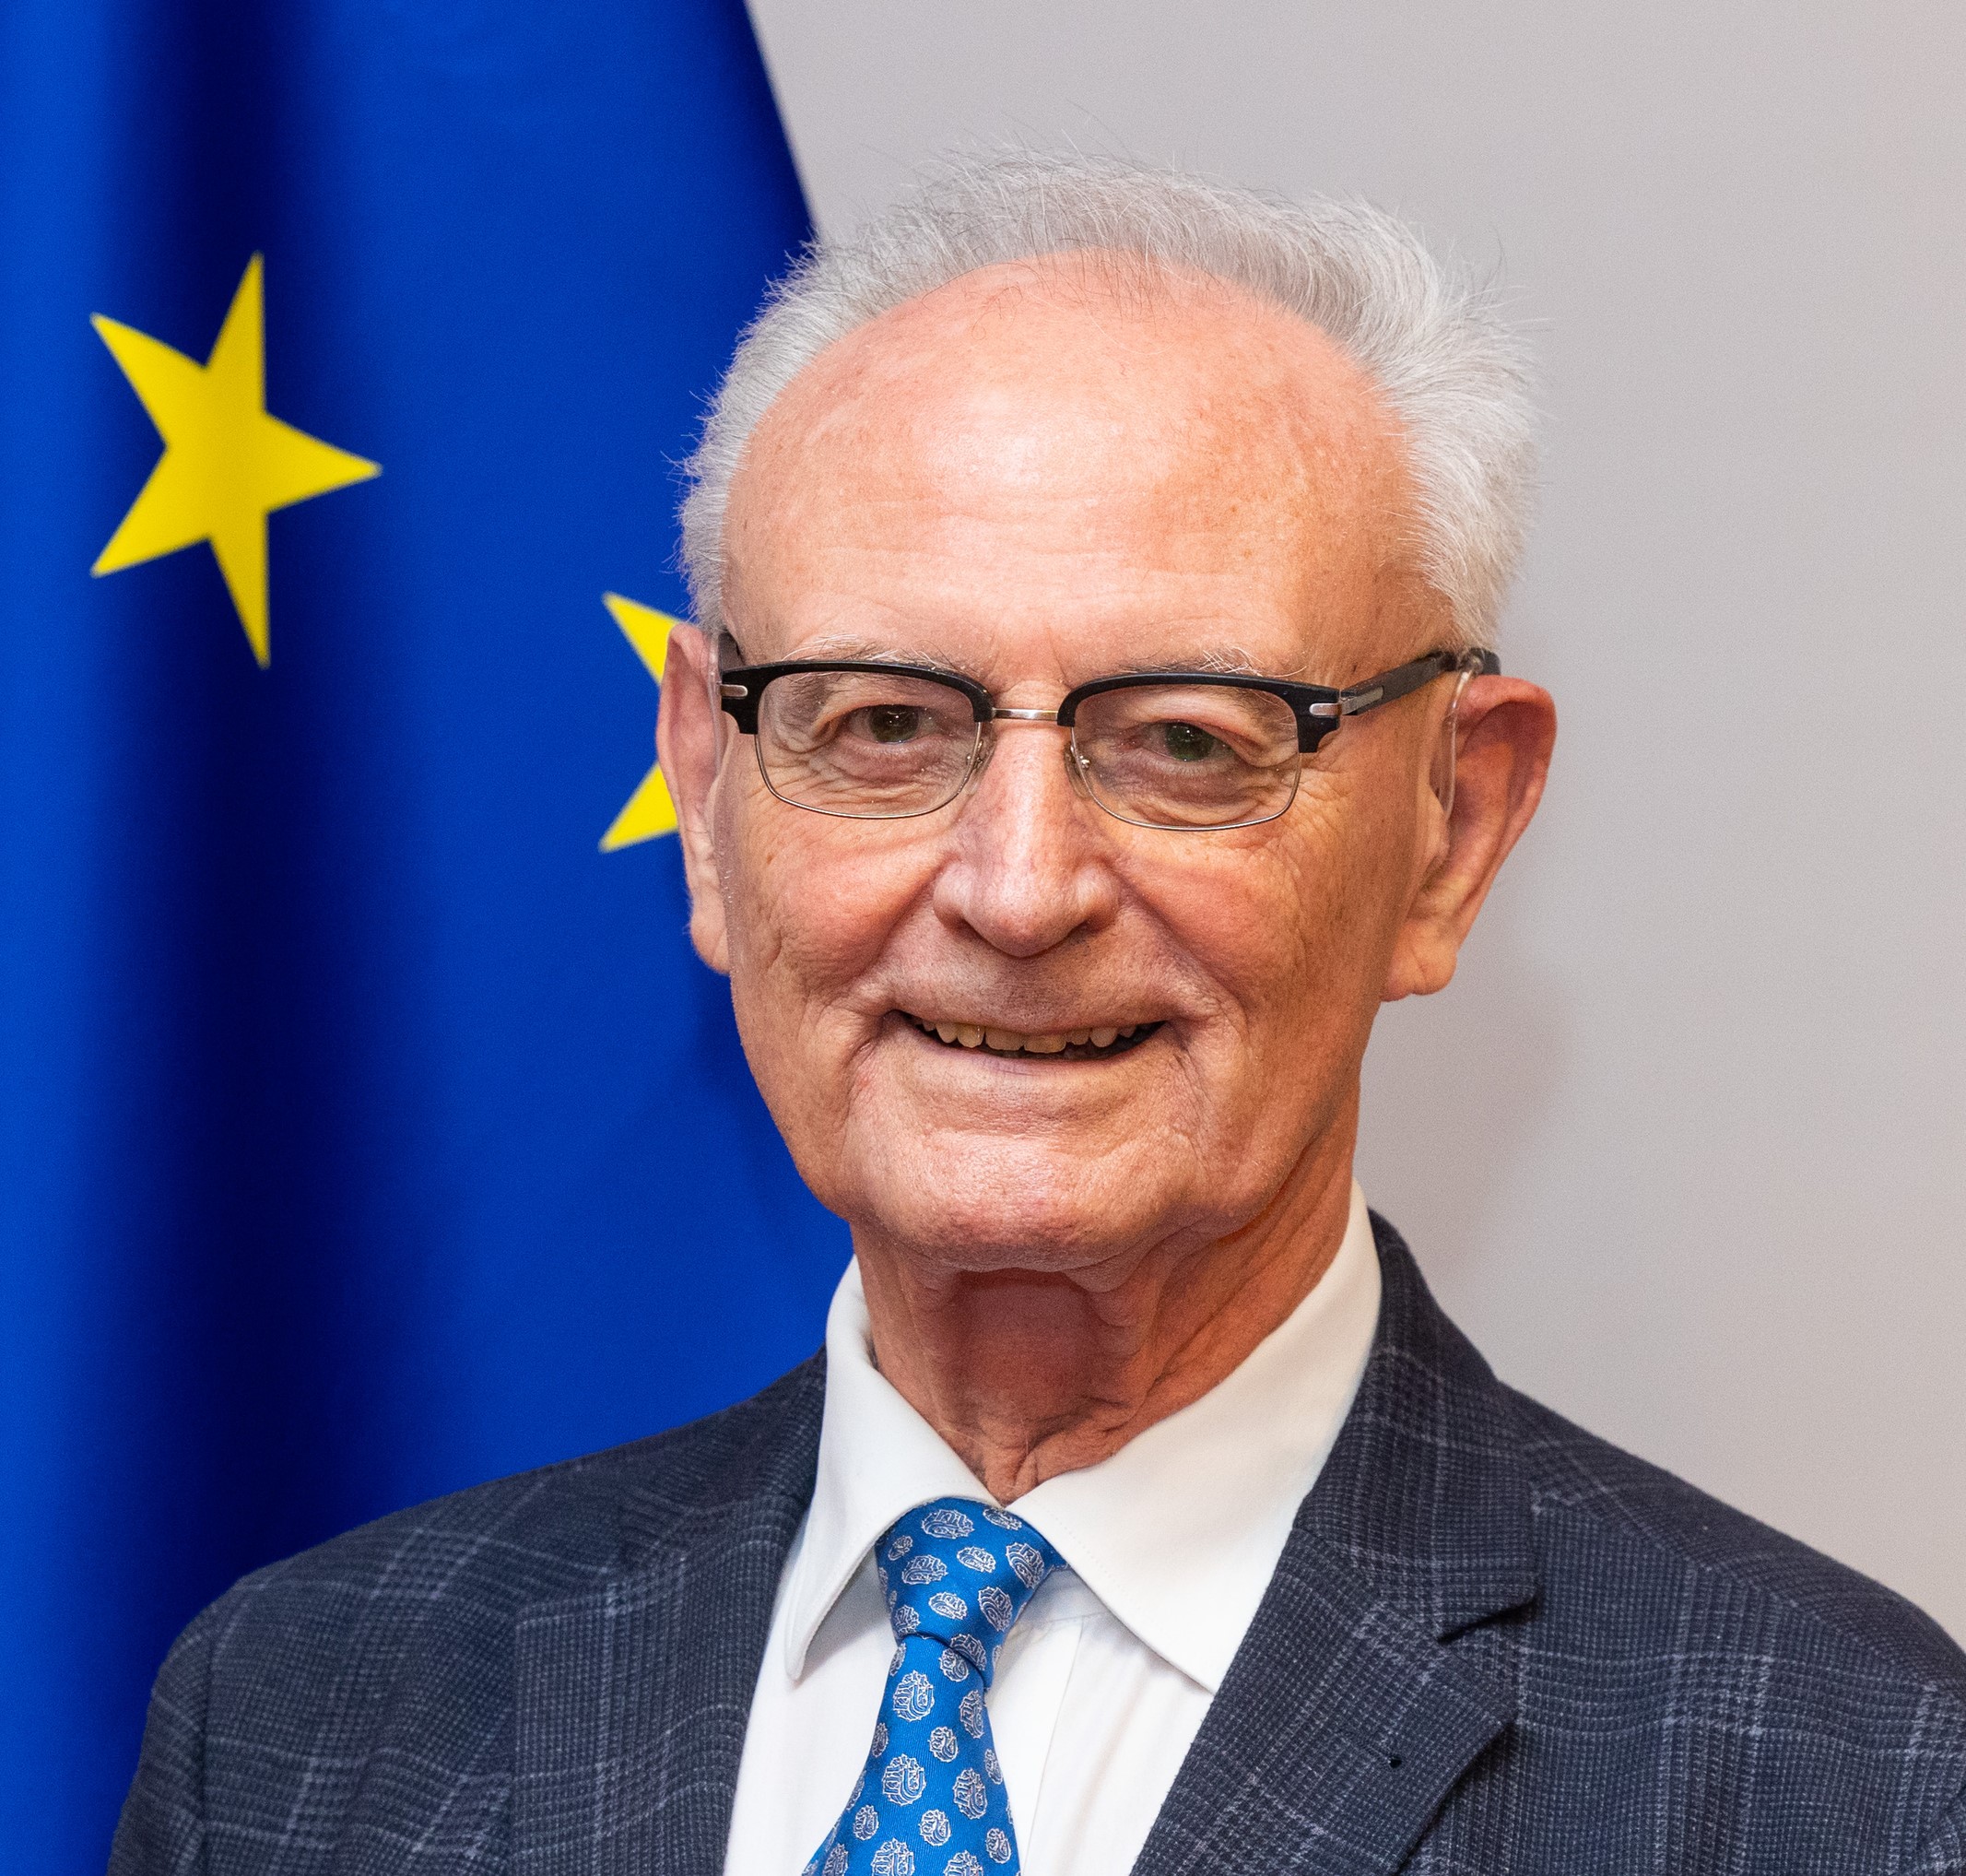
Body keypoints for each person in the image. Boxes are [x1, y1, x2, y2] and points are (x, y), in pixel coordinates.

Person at [111, 153, 1965, 1876]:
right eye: (882, 723)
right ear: (705, 789)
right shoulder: (294, 1728)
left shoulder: (1851, 1792)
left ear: (1448, 832)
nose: (1015, 888)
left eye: (1187, 743)